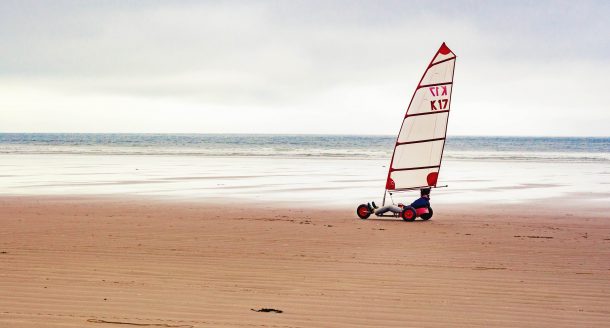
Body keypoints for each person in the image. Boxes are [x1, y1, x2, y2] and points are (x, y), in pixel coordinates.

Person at [367, 188, 431, 216]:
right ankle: (377, 208)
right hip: (408, 209)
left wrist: (405, 207)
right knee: (396, 204)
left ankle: (374, 211)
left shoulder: (421, 200)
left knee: (389, 206)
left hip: (405, 210)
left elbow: (412, 206)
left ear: (422, 192)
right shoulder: (426, 200)